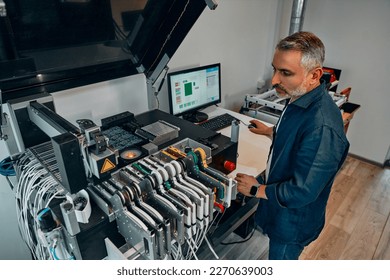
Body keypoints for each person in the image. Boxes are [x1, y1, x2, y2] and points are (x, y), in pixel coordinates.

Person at [234, 31, 350, 260]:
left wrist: (256, 189)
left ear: (314, 75)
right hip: (278, 208)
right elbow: (299, 135)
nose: (274, 80)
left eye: (285, 73)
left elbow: (301, 191)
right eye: (274, 69)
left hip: (292, 223)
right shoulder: (299, 96)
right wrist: (271, 131)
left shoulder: (323, 126)